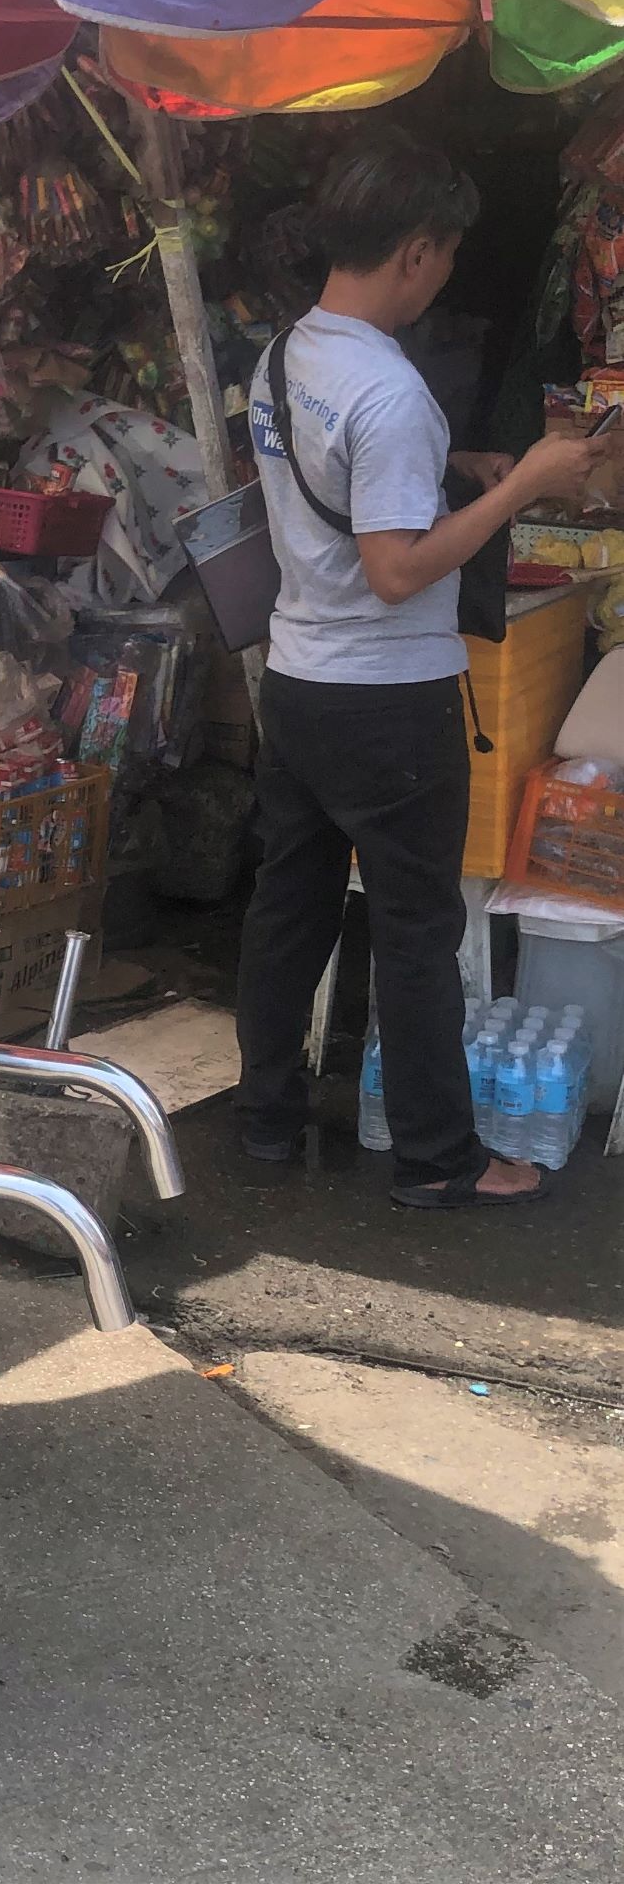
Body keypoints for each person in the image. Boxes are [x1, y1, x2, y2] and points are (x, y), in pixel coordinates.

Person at [235, 134, 606, 1209]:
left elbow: (330, 471)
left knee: (288, 910)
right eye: (443, 254)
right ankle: (440, 1160)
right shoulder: (388, 393)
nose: (445, 272)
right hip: (386, 701)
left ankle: (265, 1119)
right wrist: (522, 481)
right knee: (413, 927)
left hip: (297, 683)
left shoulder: (287, 353)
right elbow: (395, 568)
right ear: (413, 251)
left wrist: (451, 466)